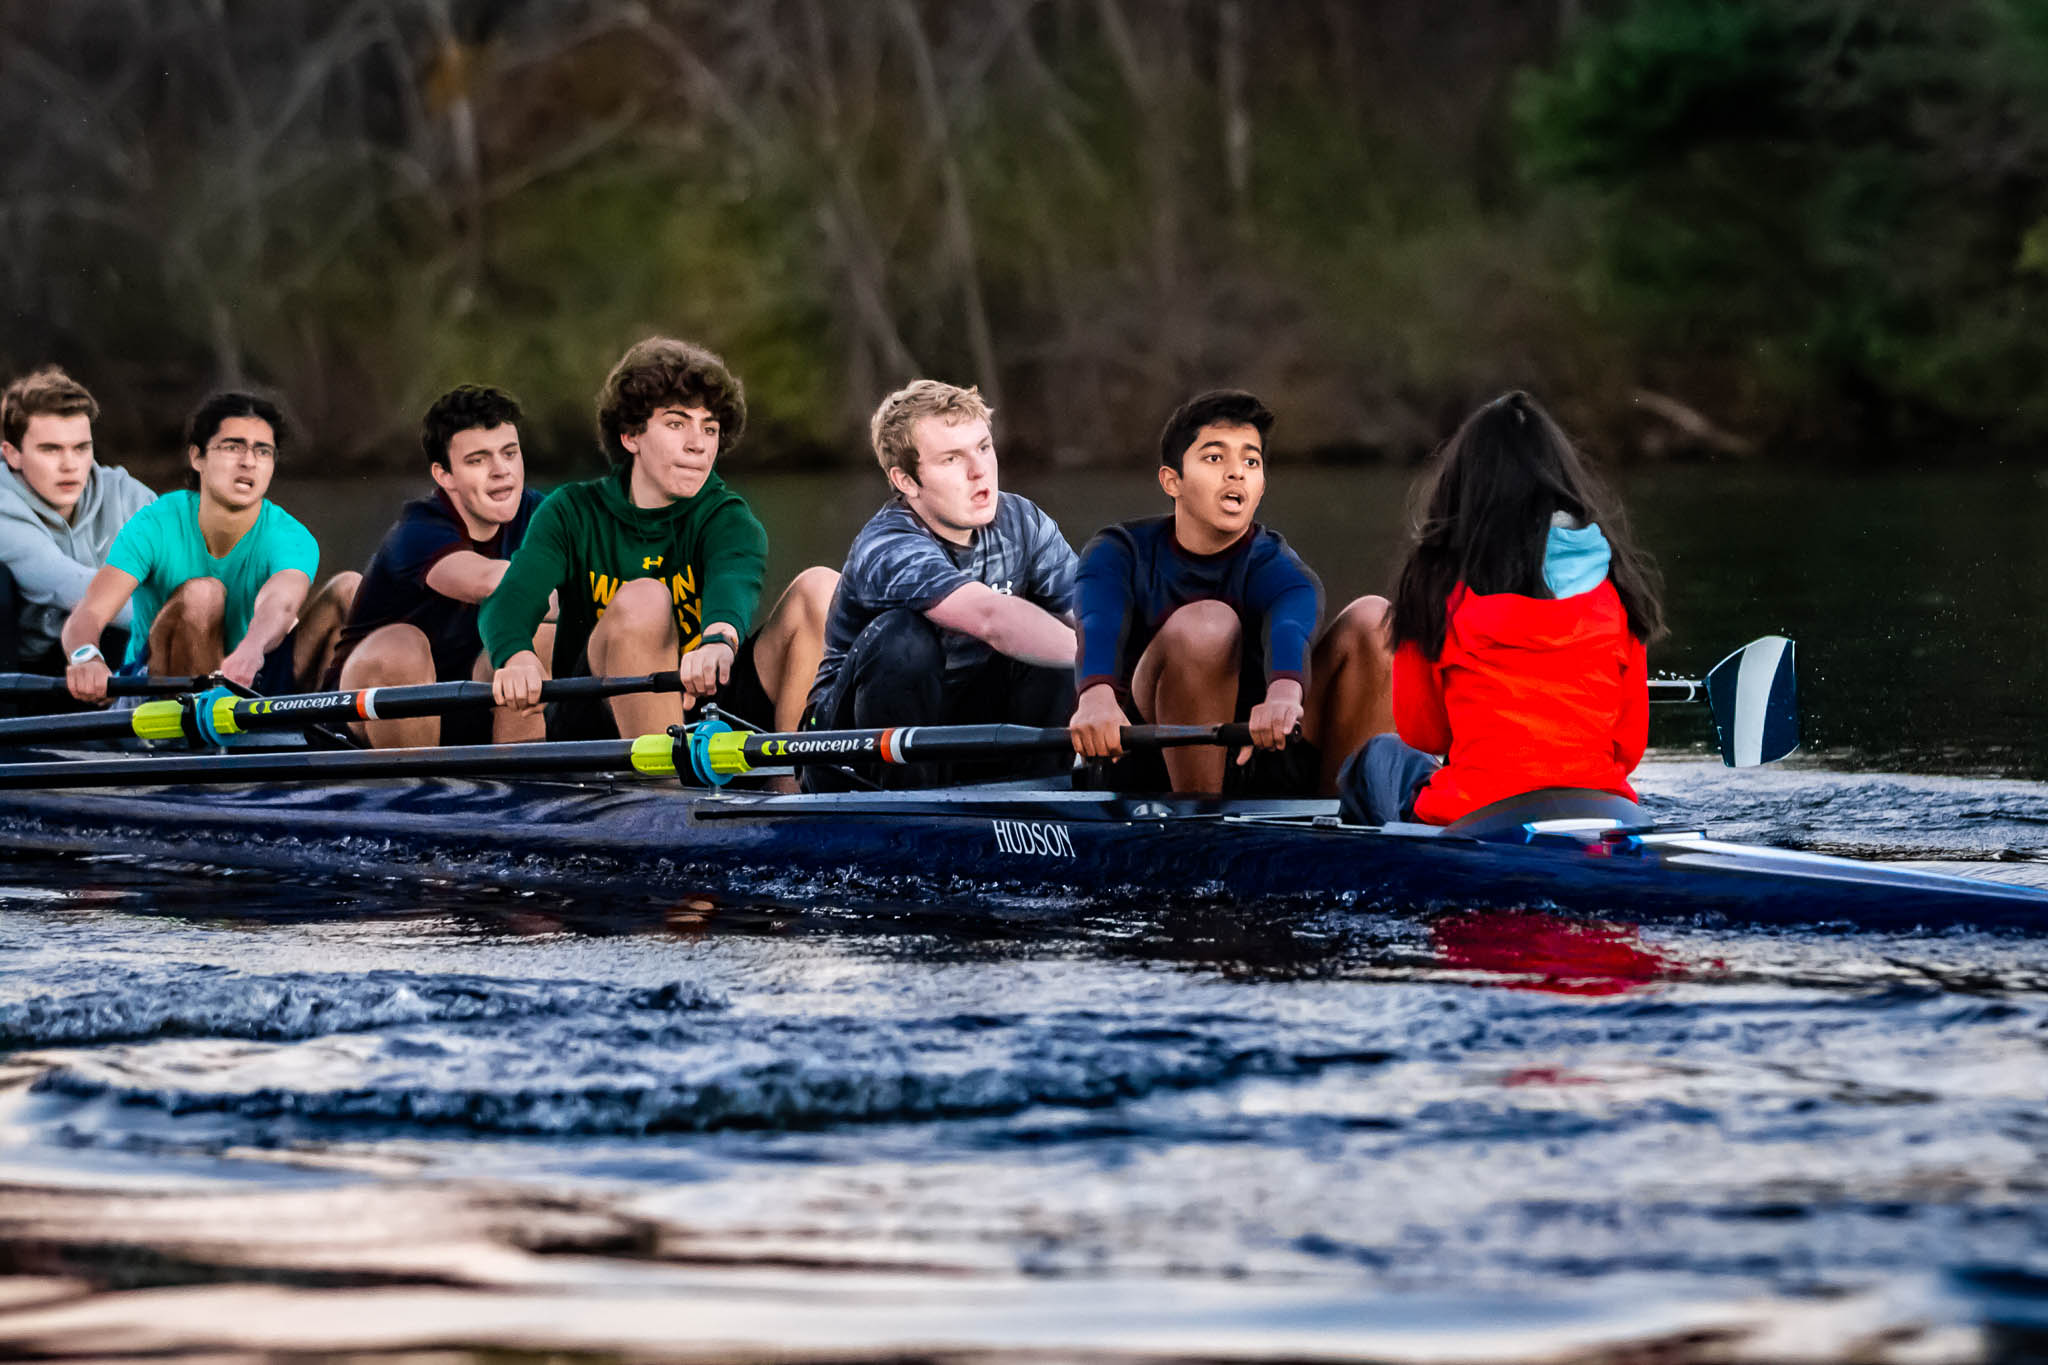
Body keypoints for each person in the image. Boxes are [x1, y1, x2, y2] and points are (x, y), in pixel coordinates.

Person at [482, 337, 836, 747]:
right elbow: (509, 602)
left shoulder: (729, 519)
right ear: (630, 436)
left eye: (710, 428)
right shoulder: (571, 511)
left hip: (707, 704)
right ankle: (667, 799)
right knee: (645, 599)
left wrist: (719, 639)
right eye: (676, 423)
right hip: (598, 718)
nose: (697, 443)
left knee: (820, 587)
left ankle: (792, 792)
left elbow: (732, 584)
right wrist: (515, 656)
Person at [1338, 390, 1664, 826]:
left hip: (1477, 815)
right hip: (1607, 815)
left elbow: (1424, 733)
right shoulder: (1616, 589)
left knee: (1375, 757)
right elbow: (1626, 748)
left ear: (1464, 486)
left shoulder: (1435, 584)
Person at [1067, 389, 1392, 795]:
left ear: (1260, 487)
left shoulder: (1277, 566)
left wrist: (1284, 694)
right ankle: (1201, 822)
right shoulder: (1117, 551)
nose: (1236, 472)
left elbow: (1292, 624)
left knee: (1376, 620)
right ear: (1172, 481)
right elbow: (1097, 622)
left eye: (1250, 461)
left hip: (1267, 748)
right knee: (1208, 624)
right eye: (1215, 457)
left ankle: (1350, 821)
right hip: (1151, 764)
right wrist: (1095, 695)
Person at [801, 381, 1078, 790]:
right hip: (850, 755)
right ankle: (904, 807)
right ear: (907, 481)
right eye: (951, 459)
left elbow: (1092, 615)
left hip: (962, 731)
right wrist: (1102, 664)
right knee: (904, 638)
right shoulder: (888, 546)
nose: (979, 470)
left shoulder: (1023, 521)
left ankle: (1041, 796)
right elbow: (991, 618)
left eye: (984, 447)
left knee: (1056, 645)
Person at [60, 390, 359, 702]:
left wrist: (251, 649)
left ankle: (331, 733)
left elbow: (281, 602)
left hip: (248, 679)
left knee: (349, 588)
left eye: (263, 452)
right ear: (197, 457)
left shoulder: (290, 536)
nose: (248, 462)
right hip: (156, 695)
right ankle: (198, 735)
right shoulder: (155, 524)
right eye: (233, 447)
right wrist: (86, 658)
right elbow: (89, 612)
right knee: (204, 594)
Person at [327, 384, 549, 747]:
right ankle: (413, 793)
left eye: (509, 453)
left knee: (543, 637)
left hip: (468, 702)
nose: (501, 471)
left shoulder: (540, 513)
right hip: (363, 718)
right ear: (444, 476)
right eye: (478, 460)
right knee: (402, 646)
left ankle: (520, 790)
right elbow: (489, 582)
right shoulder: (417, 530)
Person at [0, 367, 156, 673]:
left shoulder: (123, 493)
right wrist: (185, 618)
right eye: (50, 450)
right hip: (25, 669)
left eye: (81, 448)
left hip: (106, 646)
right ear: (13, 455)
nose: (70, 465)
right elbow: (67, 585)